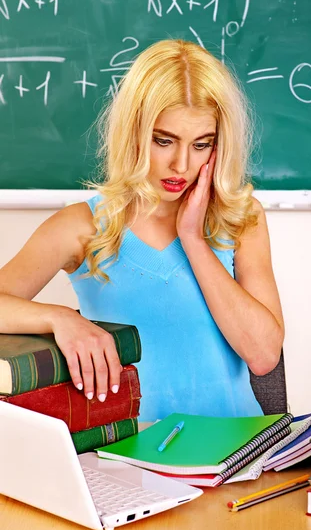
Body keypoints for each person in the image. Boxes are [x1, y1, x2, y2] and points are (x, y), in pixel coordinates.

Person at [0, 40, 284, 421]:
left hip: (237, 457)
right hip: (128, 460)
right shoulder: (82, 227)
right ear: (134, 131)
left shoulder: (241, 218)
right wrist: (59, 318)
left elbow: (264, 356)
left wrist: (194, 240)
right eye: (163, 141)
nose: (181, 164)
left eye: (202, 145)